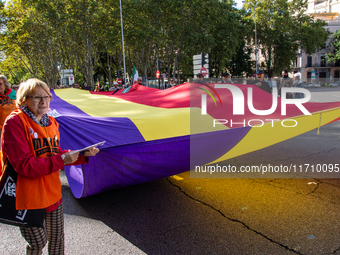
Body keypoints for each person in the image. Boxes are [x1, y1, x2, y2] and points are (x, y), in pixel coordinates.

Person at [0, 78, 99, 254]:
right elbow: (24, 165)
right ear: (23, 100)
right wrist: (62, 160)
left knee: (57, 241)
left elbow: (56, 153)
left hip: (52, 193)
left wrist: (82, 154)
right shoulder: (14, 122)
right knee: (38, 242)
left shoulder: (51, 122)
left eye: (47, 96)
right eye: (37, 97)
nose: (44, 101)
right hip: (28, 197)